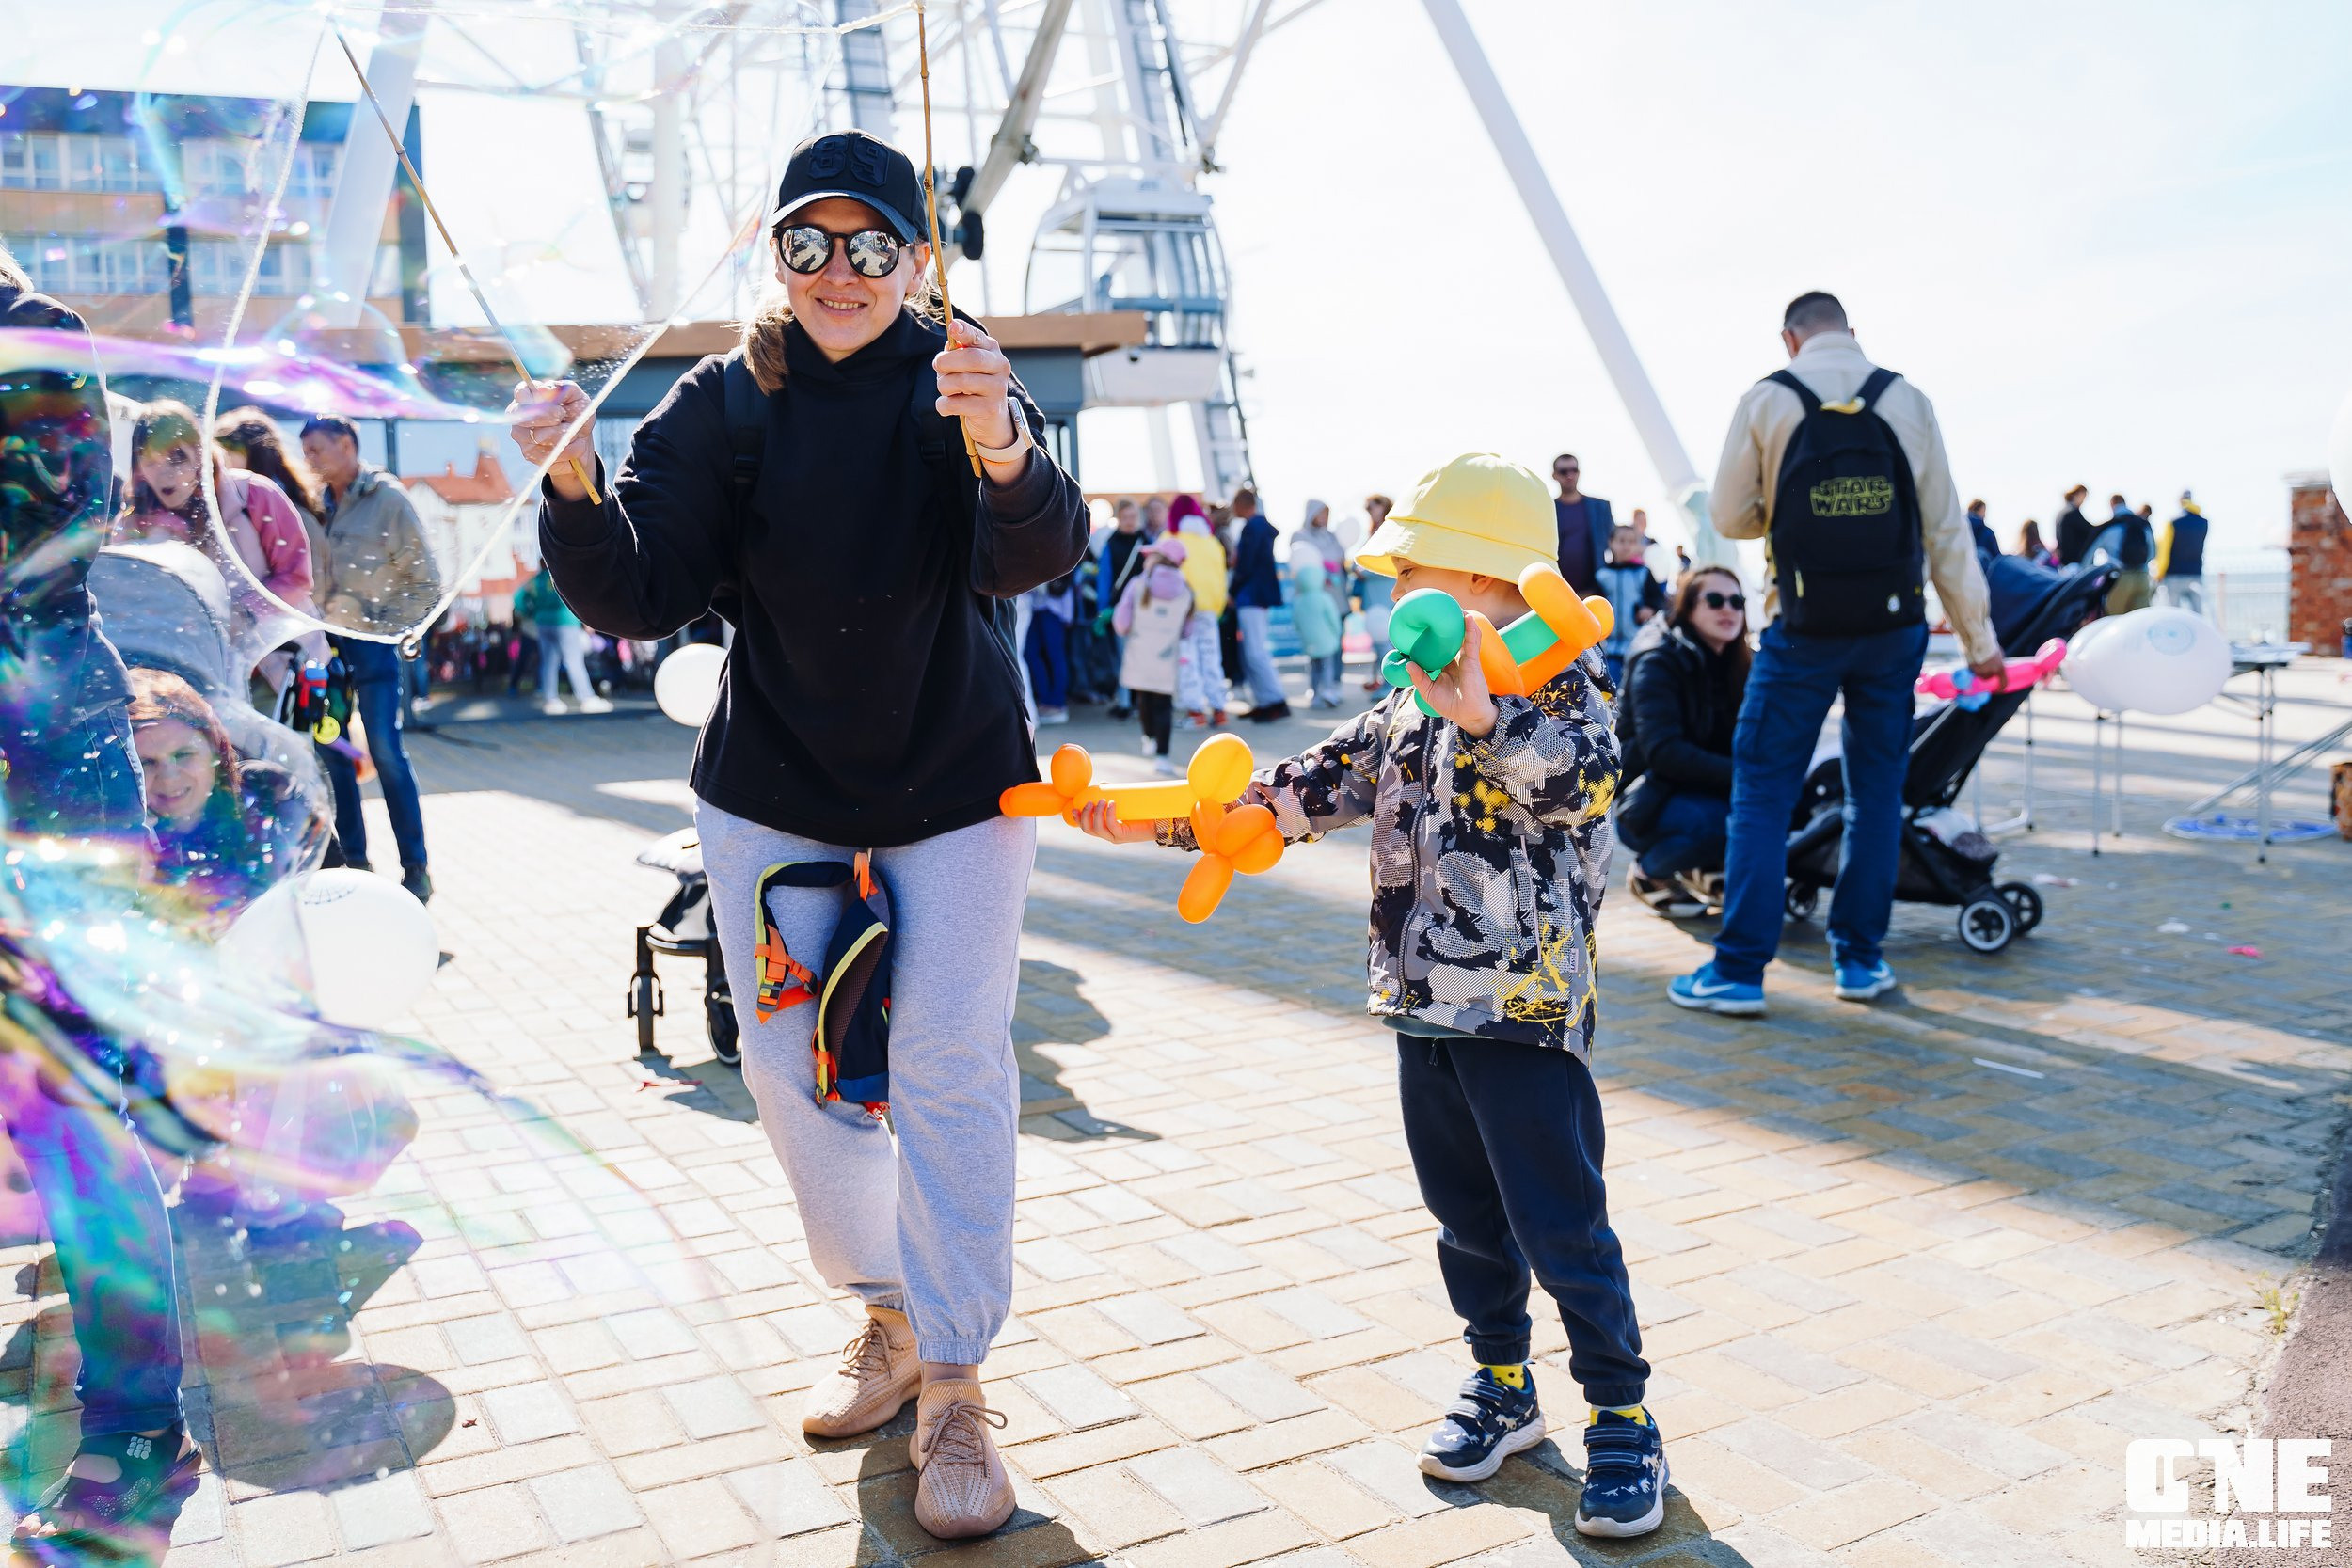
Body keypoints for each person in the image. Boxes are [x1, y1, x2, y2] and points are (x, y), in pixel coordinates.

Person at [509, 127, 1088, 1541]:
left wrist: (1003, 440)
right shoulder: (725, 402)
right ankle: (886, 1312)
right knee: (783, 1067)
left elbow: (1037, 549)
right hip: (771, 785)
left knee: (950, 1061)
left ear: (916, 256)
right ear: (778, 255)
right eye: (810, 243)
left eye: (872, 242)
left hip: (958, 783)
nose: (841, 270)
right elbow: (640, 592)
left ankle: (953, 1378)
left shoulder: (962, 374)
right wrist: (575, 489)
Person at [1075, 452, 1666, 1540]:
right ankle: (1502, 1383)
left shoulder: (1563, 686)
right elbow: (1295, 789)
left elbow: (1581, 786)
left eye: (1417, 574)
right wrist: (1158, 817)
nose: (1397, 595)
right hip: (1419, 1004)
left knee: (1559, 1220)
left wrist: (1489, 715)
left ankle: (1622, 1411)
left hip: (1523, 1015)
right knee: (1465, 1218)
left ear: (1492, 587)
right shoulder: (1400, 706)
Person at [0, 240, 196, 1549]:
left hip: (47, 768)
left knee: (69, 1103)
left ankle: (138, 1423)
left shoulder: (40, 337)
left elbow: (53, 538)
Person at [1670, 291, 2000, 1016]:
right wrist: (1981, 645)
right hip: (1893, 629)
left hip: (1802, 626)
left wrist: (1781, 514)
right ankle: (1860, 960)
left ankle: (1738, 971)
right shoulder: (1906, 400)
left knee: (1762, 790)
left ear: (1790, 339)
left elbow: (1728, 514)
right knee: (1876, 794)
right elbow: (1947, 530)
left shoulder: (1767, 398)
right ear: (1852, 333)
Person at [298, 416, 438, 902]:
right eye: (305, 452)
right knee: (332, 751)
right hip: (321, 649)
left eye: (315, 449)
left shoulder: (388, 500)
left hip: (374, 646)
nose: (309, 460)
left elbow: (426, 584)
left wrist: (381, 627)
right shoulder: (314, 504)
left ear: (346, 444)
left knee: (384, 750)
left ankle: (416, 867)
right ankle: (353, 861)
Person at [1614, 567, 1749, 918]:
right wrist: (1746, 775)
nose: (1729, 610)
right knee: (1728, 821)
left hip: (1693, 788)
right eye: (1715, 600)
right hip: (1646, 800)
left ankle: (1702, 867)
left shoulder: (1734, 662)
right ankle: (1651, 873)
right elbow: (1664, 752)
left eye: (1737, 602)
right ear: (1688, 607)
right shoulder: (1657, 659)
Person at [127, 667, 312, 916]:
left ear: (216, 750)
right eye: (146, 763)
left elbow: (328, 896)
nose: (169, 776)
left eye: (183, 755)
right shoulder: (114, 838)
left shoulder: (272, 796)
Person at [1113, 534, 1192, 775]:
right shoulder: (1186, 590)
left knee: (1144, 698)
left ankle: (1148, 736)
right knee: (1164, 705)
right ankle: (1163, 756)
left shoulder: (1138, 584)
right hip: (1166, 657)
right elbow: (1189, 630)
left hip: (1140, 652)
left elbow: (1121, 622)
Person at [1225, 485, 1289, 720]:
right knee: (1254, 651)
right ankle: (1266, 700)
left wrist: (1232, 590)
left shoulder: (1252, 528)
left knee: (1255, 652)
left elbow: (1246, 564)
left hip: (1250, 596)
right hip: (1256, 596)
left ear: (1242, 504)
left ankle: (1274, 700)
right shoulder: (1260, 528)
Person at [513, 568, 611, 716]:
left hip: (543, 622)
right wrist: (587, 620)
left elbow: (518, 597)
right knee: (574, 661)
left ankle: (551, 700)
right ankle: (587, 698)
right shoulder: (565, 573)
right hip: (566, 621)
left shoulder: (537, 579)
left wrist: (531, 612)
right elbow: (580, 597)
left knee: (548, 663)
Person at [1168, 503, 1231, 725]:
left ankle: (1195, 712)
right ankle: (1219, 709)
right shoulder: (1212, 541)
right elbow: (1221, 577)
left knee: (1188, 660)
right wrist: (1218, 606)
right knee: (1211, 658)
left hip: (1183, 608)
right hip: (1209, 609)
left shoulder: (1171, 537)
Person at [1593, 517, 1665, 688]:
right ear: (1611, 543)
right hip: (1609, 647)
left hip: (1638, 643)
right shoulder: (1602, 575)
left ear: (1638, 545)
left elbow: (1658, 600)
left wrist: (1650, 609)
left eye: (1631, 542)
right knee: (1613, 688)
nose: (1626, 546)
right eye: (1621, 541)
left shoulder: (1643, 573)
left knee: (1638, 685)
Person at [1289, 499, 1347, 707]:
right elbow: (1303, 559)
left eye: (1327, 513)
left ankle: (1333, 685)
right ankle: (1316, 688)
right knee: (1315, 649)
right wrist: (1324, 565)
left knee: (1335, 644)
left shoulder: (1331, 537)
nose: (1324, 518)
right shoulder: (1300, 536)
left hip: (1335, 598)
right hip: (1312, 603)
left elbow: (1340, 556)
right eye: (1321, 513)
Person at [1096, 499, 1147, 719]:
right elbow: (1104, 579)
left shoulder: (1145, 542)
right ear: (1118, 518)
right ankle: (1126, 702)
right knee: (1125, 657)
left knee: (1137, 657)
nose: (1129, 522)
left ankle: (1137, 702)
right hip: (1121, 610)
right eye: (1125, 517)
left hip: (1142, 609)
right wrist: (1103, 609)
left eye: (1132, 517)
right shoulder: (1113, 544)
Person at [1550, 452, 1616, 597]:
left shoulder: (1600, 507)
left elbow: (1615, 544)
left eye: (1574, 470)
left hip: (1597, 590)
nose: (1570, 475)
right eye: (1563, 471)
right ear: (1554, 475)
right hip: (1562, 592)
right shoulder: (1547, 510)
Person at [1022, 570, 1075, 724]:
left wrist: (1068, 613)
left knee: (1056, 655)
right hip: (1034, 605)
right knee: (1030, 654)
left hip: (1054, 606)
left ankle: (1058, 704)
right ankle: (1045, 700)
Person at [1358, 492, 1396, 690]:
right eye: (1368, 507)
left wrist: (1364, 571)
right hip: (1373, 595)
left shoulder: (1391, 531)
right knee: (1378, 640)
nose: (1371, 511)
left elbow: (1390, 565)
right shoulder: (1371, 532)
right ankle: (1383, 682)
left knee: (1387, 641)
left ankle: (1390, 685)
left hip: (1385, 593)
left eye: (1374, 506)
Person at [2158, 490, 2209, 617]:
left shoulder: (2173, 522)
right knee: (2197, 615)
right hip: (2195, 573)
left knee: (2173, 614)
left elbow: (2165, 550)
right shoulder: (2203, 522)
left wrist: (2160, 572)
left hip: (2174, 574)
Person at [2104, 492, 2155, 613]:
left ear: (2112, 505)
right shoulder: (2143, 525)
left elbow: (2092, 552)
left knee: (2114, 619)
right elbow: (2153, 552)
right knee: (2139, 620)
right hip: (2143, 576)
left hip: (2121, 576)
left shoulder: (2112, 525)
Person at [2054, 484, 2093, 566]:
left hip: (2063, 562)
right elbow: (2090, 530)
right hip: (2074, 562)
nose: (2084, 501)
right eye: (2084, 496)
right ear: (2078, 494)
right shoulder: (2073, 513)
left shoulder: (2060, 513)